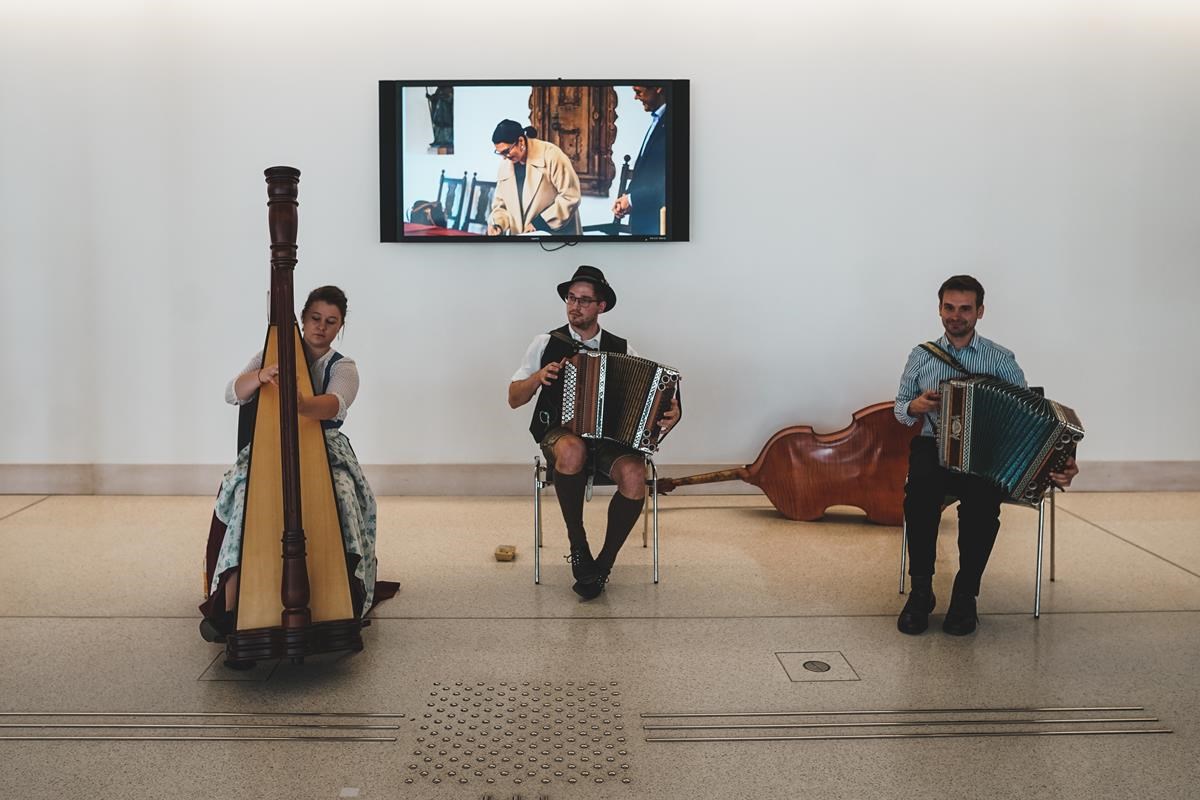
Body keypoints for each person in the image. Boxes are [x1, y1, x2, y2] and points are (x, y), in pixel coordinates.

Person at [894, 275, 1078, 636]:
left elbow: (1031, 419)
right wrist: (914, 406)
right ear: (940, 309)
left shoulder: (1001, 358)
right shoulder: (921, 356)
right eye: (949, 307)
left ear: (980, 311)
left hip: (988, 456)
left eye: (965, 308)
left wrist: (1061, 461)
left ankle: (965, 596)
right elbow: (900, 409)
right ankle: (920, 592)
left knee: (981, 505)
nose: (956, 316)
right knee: (919, 495)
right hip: (935, 447)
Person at [200, 285, 382, 643]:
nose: (321, 327)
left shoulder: (343, 366)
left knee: (342, 494)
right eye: (315, 318)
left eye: (331, 322)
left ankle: (346, 594)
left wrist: (302, 404)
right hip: (271, 447)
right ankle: (230, 606)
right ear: (302, 318)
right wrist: (260, 376)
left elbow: (336, 403)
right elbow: (231, 392)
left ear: (340, 327)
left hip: (325, 447)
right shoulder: (271, 353)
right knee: (242, 497)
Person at [509, 265, 680, 599]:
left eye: (585, 300)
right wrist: (538, 377)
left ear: (601, 306)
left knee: (633, 473)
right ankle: (578, 542)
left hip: (607, 441)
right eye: (571, 298)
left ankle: (602, 565)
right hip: (559, 435)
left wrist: (673, 411)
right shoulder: (546, 343)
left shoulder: (621, 349)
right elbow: (514, 398)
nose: (575, 306)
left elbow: (652, 398)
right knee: (573, 450)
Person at [488, 120, 582, 236]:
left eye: (506, 151)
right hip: (523, 241)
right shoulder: (505, 165)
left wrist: (539, 223)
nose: (504, 158)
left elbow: (570, 196)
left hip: (555, 237)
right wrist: (498, 224)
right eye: (500, 153)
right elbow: (501, 205)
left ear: (521, 141)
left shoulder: (551, 155)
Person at [611, 85, 668, 236]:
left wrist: (631, 199)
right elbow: (645, 172)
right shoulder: (658, 119)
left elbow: (667, 180)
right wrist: (627, 198)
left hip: (657, 226)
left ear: (657, 88)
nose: (635, 97)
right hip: (643, 222)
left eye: (638, 92)